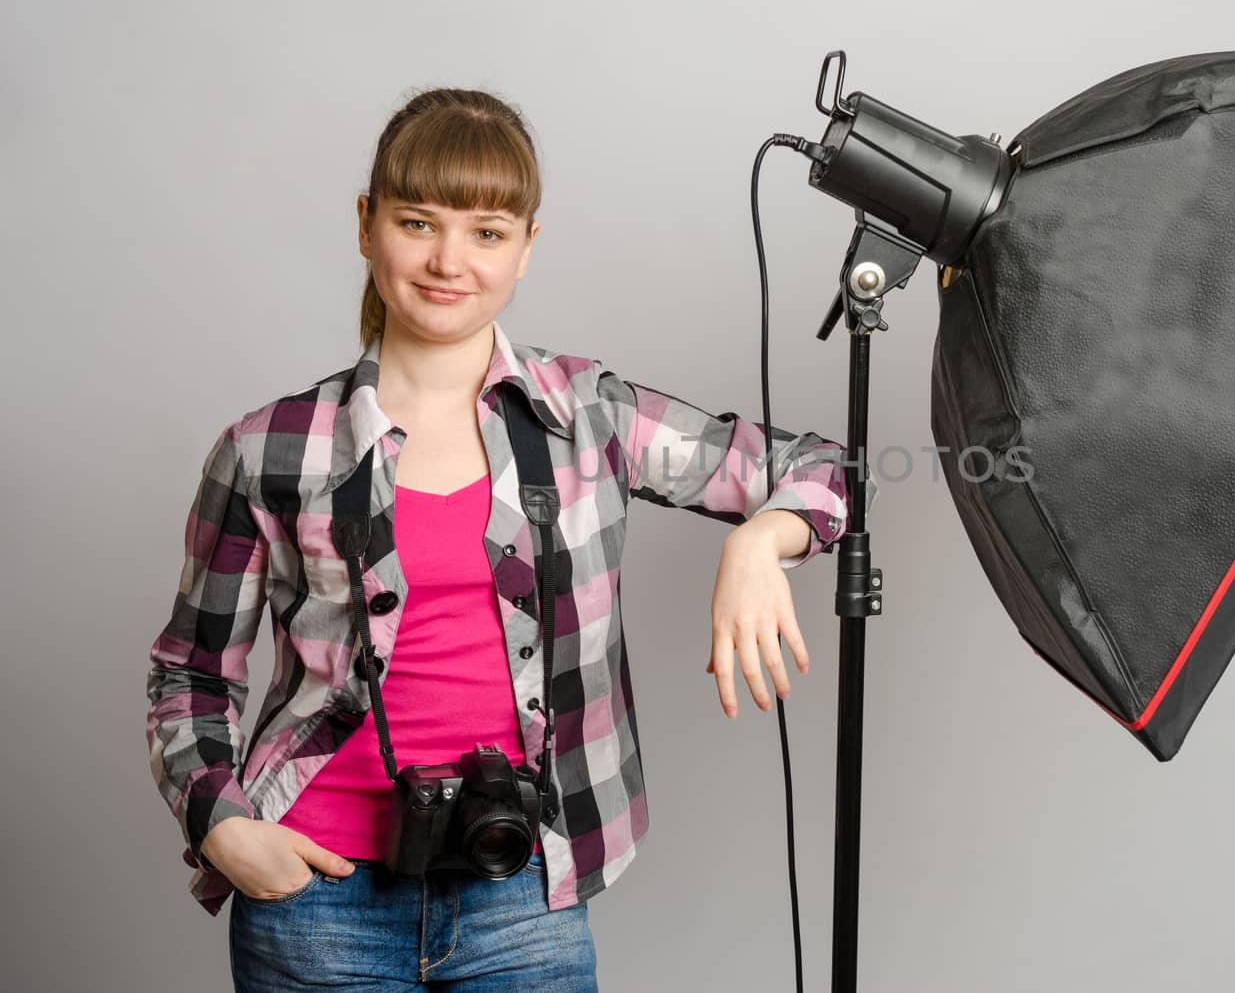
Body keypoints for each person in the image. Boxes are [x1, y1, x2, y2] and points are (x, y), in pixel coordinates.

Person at [145, 87, 872, 991]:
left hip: (521, 885)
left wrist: (762, 540)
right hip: (313, 895)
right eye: (418, 221)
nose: (450, 259)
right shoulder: (269, 447)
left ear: (528, 246)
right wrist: (219, 823)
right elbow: (191, 671)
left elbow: (830, 467)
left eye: (487, 231)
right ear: (367, 226)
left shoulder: (589, 416)